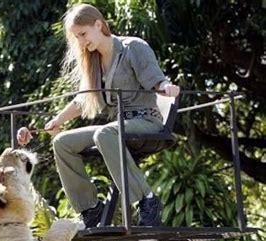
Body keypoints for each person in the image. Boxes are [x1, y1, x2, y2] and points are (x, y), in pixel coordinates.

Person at [17, 3, 180, 228]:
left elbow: (155, 79)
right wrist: (56, 120)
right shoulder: (93, 61)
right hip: (117, 126)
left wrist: (166, 86)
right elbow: (83, 100)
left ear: (98, 24)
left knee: (105, 133)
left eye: (83, 34)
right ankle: (91, 210)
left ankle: (147, 201)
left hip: (146, 121)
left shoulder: (133, 47)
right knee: (62, 142)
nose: (82, 42)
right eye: (77, 38)